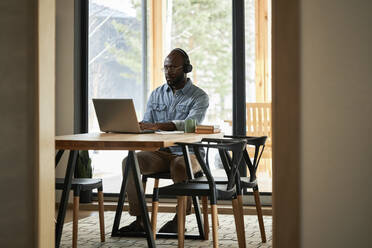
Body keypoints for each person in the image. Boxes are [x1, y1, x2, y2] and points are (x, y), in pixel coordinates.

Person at [120, 48, 209, 233]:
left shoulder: (199, 96)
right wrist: (135, 127)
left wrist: (157, 125)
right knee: (130, 162)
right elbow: (147, 124)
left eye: (173, 67)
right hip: (160, 153)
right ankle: (141, 219)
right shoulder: (156, 94)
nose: (169, 71)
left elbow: (190, 124)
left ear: (186, 68)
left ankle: (180, 220)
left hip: (189, 154)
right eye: (166, 67)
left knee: (179, 166)